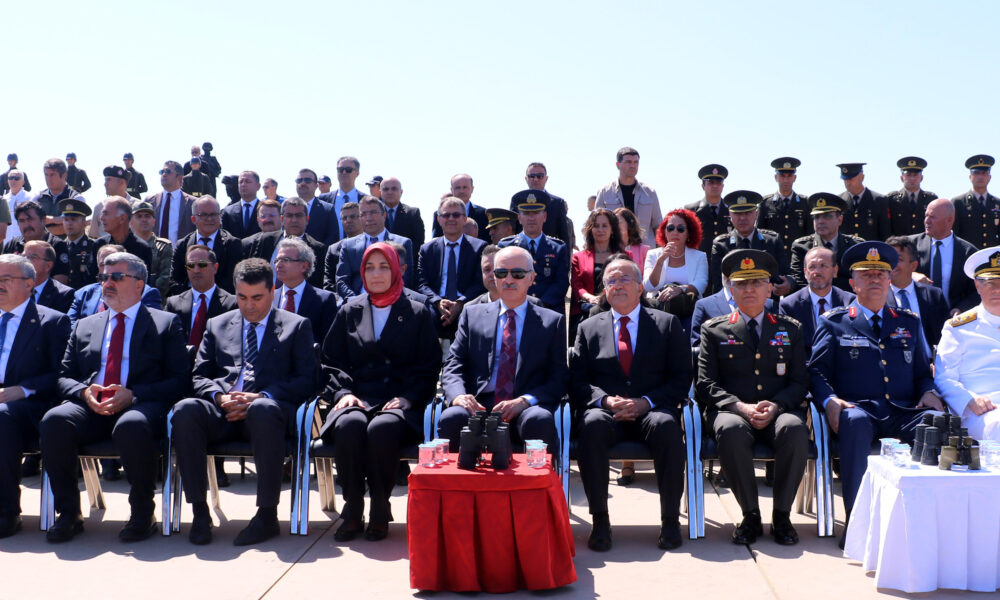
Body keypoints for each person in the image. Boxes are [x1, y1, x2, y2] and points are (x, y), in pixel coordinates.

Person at [40, 252, 188, 543]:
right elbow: (63, 376)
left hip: (140, 405)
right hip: (91, 405)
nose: (107, 283)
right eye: (103, 277)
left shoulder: (165, 324)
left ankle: (142, 514)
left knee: (131, 425)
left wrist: (134, 395)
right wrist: (84, 392)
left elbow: (180, 380)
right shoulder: (85, 325)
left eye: (116, 277)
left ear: (139, 284)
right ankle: (68, 514)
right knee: (55, 420)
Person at [171, 258, 316, 545]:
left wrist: (261, 396)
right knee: (185, 409)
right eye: (242, 297)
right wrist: (220, 397)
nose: (249, 306)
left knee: (262, 409)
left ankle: (267, 515)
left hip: (268, 414)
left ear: (272, 291)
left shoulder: (296, 326)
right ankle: (199, 512)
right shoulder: (217, 324)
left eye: (257, 298)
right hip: (223, 410)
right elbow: (199, 375)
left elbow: (307, 379)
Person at [808, 241, 942, 547]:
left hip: (902, 411)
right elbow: (816, 371)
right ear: (853, 283)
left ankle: (923, 522)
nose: (875, 280)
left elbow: (922, 372)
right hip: (859, 409)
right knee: (854, 422)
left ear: (890, 279)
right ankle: (858, 525)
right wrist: (829, 400)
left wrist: (928, 391)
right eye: (866, 275)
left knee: (935, 422)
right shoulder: (835, 321)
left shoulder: (908, 322)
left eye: (881, 274)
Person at [319, 242, 441, 542]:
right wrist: (343, 393)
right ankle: (353, 506)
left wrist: (409, 397)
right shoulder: (349, 310)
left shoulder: (417, 312)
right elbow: (331, 361)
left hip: (400, 398)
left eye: (384, 267)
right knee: (349, 424)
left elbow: (429, 364)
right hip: (357, 395)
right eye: (369, 267)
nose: (376, 274)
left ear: (397, 270)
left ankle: (379, 506)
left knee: (382, 428)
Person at [570, 256, 690, 551]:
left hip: (652, 409)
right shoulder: (588, 327)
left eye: (625, 279)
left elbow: (681, 377)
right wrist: (604, 400)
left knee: (667, 425)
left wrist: (646, 402)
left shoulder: (667, 324)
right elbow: (578, 381)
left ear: (640, 287)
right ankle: (600, 521)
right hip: (607, 412)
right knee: (591, 424)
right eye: (611, 280)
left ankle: (670, 521)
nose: (618, 285)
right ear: (605, 290)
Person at [696, 249, 809, 545]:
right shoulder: (714, 330)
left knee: (795, 429)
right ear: (731, 290)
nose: (749, 289)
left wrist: (778, 405)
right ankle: (750, 515)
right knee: (731, 430)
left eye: (757, 282)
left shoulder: (790, 328)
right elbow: (706, 383)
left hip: (778, 409)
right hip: (732, 410)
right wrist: (741, 408)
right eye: (741, 283)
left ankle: (782, 516)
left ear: (769, 288)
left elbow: (800, 381)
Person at [439, 246, 566, 456]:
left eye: (517, 273)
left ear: (531, 278)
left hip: (525, 405)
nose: (508, 280)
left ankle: (537, 479)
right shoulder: (472, 315)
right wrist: (459, 396)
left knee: (539, 419)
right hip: (478, 402)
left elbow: (559, 377)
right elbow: (454, 364)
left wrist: (526, 400)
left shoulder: (552, 322)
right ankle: (456, 478)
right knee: (452, 417)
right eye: (501, 273)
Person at [0, 255, 71, 538]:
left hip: (30, 406)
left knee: (2, 416)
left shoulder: (52, 322)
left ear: (29, 284)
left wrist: (22, 390)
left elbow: (61, 374)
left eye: (5, 279)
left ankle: (6, 511)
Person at [935, 247, 1000, 441]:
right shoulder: (958, 328)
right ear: (977, 286)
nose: (997, 290)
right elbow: (944, 378)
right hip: (982, 410)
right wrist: (970, 399)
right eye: (990, 283)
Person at [416, 197, 487, 336]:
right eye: (446, 215)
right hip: (436, 305)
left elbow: (479, 283)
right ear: (439, 220)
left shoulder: (479, 247)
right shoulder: (427, 249)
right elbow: (421, 283)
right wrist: (438, 302)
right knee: (423, 318)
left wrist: (460, 303)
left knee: (470, 318)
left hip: (467, 304)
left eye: (456, 215)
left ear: (465, 219)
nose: (451, 219)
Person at [708, 191, 792, 297]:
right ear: (730, 215)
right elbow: (718, 284)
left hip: (767, 301)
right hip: (733, 302)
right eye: (737, 213)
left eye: (747, 213)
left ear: (756, 214)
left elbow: (783, 274)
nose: (742, 218)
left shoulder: (772, 241)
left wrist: (788, 283)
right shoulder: (721, 245)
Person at [497, 190, 570, 311]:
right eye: (526, 213)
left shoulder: (558, 247)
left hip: (548, 310)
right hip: (515, 309)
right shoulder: (506, 246)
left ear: (544, 216)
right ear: (519, 218)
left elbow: (561, 282)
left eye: (536, 213)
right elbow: (501, 279)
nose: (531, 218)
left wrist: (540, 305)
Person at [335, 196, 414, 299]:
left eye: (373, 212)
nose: (368, 218)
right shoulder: (348, 245)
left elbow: (406, 279)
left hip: (392, 301)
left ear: (384, 215)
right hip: (355, 301)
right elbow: (342, 280)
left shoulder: (402, 243)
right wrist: (354, 301)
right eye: (363, 214)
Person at [778, 246, 855, 351]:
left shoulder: (850, 302)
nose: (817, 271)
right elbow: (783, 346)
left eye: (823, 266)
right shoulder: (788, 305)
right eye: (812, 267)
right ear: (805, 272)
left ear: (835, 270)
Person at [909, 198, 979, 314]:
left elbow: (977, 290)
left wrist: (961, 308)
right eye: (926, 216)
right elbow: (891, 271)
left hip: (952, 318)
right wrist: (911, 275)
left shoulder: (968, 252)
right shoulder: (911, 245)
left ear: (949, 220)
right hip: (917, 316)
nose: (927, 221)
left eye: (932, 217)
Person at [645, 208, 709, 333]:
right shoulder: (653, 254)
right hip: (658, 309)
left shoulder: (699, 256)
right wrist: (660, 260)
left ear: (688, 233)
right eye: (670, 228)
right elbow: (648, 287)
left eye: (680, 229)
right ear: (664, 232)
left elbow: (701, 284)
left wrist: (680, 289)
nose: (675, 232)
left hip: (688, 310)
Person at [241, 196, 327, 289]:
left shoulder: (318, 249)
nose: (294, 220)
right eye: (289, 215)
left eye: (298, 215)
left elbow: (317, 284)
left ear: (307, 219)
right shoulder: (266, 240)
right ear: (282, 219)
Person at [164, 244, 237, 348]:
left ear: (215, 267)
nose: (196, 270)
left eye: (202, 264)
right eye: (191, 265)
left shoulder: (232, 304)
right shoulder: (173, 304)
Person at [885, 236, 949, 353]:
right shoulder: (879, 297)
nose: (892, 264)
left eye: (898, 259)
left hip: (931, 361)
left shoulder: (933, 295)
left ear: (913, 265)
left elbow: (946, 335)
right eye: (889, 259)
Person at [170, 196, 242, 294]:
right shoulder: (183, 245)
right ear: (193, 219)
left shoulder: (232, 244)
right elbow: (174, 280)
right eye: (203, 215)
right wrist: (193, 297)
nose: (209, 219)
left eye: (213, 214)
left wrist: (209, 296)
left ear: (220, 216)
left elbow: (232, 280)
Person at [790, 193, 861, 291]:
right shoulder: (802, 247)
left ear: (840, 220)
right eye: (816, 217)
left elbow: (860, 280)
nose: (820, 221)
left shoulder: (855, 246)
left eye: (827, 216)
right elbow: (800, 282)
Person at [594, 147, 662, 247]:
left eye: (636, 162)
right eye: (628, 162)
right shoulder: (605, 192)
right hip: (615, 250)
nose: (632, 166)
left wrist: (660, 251)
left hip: (645, 250)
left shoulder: (650, 192)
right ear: (618, 165)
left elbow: (658, 226)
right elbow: (596, 223)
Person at [273, 237, 337, 343]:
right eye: (277, 260)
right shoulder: (270, 298)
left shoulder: (324, 300)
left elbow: (328, 342)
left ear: (304, 266)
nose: (278, 265)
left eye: (285, 260)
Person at [572, 209, 624, 328]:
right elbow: (576, 285)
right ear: (590, 229)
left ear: (612, 229)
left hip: (617, 311)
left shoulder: (625, 256)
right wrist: (590, 297)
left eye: (605, 226)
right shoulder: (578, 257)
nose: (600, 229)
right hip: (587, 311)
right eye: (596, 226)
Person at [3, 201, 72, 285]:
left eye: (30, 219)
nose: (26, 225)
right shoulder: (12, 245)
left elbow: (60, 284)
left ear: (43, 220)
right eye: (22, 221)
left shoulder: (57, 246)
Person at [759, 157, 811, 253]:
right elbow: (760, 234)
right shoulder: (765, 203)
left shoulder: (805, 203)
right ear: (776, 177)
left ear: (794, 178)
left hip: (798, 256)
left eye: (789, 176)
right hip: (773, 256)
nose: (786, 180)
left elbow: (810, 234)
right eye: (782, 176)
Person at [515, 162, 570, 244]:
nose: (535, 179)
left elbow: (563, 234)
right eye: (531, 176)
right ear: (526, 179)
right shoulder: (517, 201)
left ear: (546, 178)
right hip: (521, 248)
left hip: (550, 249)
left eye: (540, 176)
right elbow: (513, 230)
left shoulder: (557, 203)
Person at [952, 154, 999, 249]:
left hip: (992, 256)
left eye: (984, 173)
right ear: (970, 177)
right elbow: (954, 235)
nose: (980, 177)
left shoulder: (997, 203)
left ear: (989, 177)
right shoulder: (958, 203)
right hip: (967, 255)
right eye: (976, 173)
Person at [95, 197, 154, 272]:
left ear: (122, 218)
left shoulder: (142, 248)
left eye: (106, 214)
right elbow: (92, 277)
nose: (101, 218)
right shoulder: (99, 245)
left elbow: (142, 278)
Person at [130, 201, 174, 299]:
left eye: (147, 216)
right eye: (139, 216)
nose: (144, 219)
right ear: (131, 222)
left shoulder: (163, 246)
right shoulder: (125, 246)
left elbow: (165, 278)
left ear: (154, 221)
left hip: (154, 300)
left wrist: (145, 294)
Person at [836, 162, 889, 241]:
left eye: (850, 179)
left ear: (862, 177)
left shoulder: (879, 200)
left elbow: (885, 233)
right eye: (845, 179)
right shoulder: (838, 202)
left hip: (871, 248)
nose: (847, 183)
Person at [147, 161, 196, 245]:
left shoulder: (192, 203)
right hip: (154, 252)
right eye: (162, 172)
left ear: (179, 177)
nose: (164, 174)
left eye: (168, 171)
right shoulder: (150, 201)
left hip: (181, 252)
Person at [684, 164, 730, 253]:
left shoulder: (731, 210)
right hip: (700, 259)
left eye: (718, 183)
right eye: (711, 182)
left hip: (726, 258)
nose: (715, 186)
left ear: (722, 186)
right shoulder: (691, 210)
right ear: (703, 186)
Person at [430, 173, 489, 242]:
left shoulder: (483, 214)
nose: (461, 191)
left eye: (465, 187)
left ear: (472, 189)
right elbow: (436, 241)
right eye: (458, 188)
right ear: (452, 190)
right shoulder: (441, 214)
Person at [887, 157, 937, 236]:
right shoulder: (891, 199)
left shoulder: (931, 199)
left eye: (915, 175)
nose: (912, 178)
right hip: (900, 242)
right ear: (902, 178)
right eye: (908, 175)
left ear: (921, 178)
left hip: (923, 242)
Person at [58, 199, 100, 290]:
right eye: (66, 220)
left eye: (73, 219)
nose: (69, 223)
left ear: (84, 222)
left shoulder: (94, 246)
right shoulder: (59, 246)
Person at [34, 158, 82, 237]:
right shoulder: (37, 198)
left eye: (52, 175)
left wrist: (48, 221)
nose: (48, 179)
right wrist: (59, 220)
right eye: (46, 175)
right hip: (42, 244)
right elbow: (32, 224)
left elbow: (71, 227)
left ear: (64, 175)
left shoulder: (75, 198)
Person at [322, 202, 362, 295]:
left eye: (352, 217)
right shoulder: (333, 250)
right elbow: (329, 283)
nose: (348, 220)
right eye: (344, 218)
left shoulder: (372, 243)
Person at [23, 241, 74, 314]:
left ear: (48, 266)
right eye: (23, 256)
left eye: (33, 257)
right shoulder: (12, 289)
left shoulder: (63, 295)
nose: (25, 261)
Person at [293, 168, 340, 246]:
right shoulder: (287, 208)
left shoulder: (327, 209)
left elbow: (333, 238)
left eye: (307, 180)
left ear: (316, 185)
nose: (303, 183)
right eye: (299, 180)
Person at [379, 177, 424, 249]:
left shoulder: (412, 214)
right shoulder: (375, 214)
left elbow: (418, 243)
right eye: (386, 189)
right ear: (380, 192)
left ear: (401, 192)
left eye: (394, 189)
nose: (390, 192)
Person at [221, 171, 263, 239]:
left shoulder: (266, 210)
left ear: (258, 186)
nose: (243, 184)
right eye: (241, 182)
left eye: (247, 181)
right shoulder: (228, 211)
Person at [2, 169, 30, 241]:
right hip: (6, 242)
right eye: (10, 178)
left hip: (25, 241)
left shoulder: (31, 198)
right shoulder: (2, 200)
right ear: (8, 181)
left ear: (23, 182)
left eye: (17, 178)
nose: (13, 180)